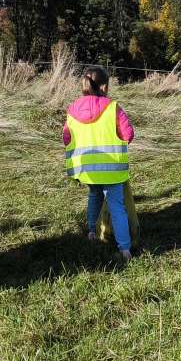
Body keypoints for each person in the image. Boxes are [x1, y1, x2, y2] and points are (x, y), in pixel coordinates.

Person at [63, 66, 135, 261]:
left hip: (86, 168)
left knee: (94, 195)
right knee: (117, 206)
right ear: (104, 86)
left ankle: (91, 231)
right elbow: (128, 135)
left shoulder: (72, 109)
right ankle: (125, 249)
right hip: (112, 168)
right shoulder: (113, 108)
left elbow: (66, 137)